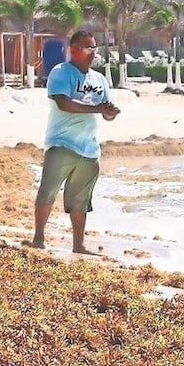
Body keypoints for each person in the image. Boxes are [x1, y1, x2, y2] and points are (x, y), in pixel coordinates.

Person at [32, 30, 120, 255]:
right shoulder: (60, 73)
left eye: (94, 48)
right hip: (62, 143)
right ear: (73, 50)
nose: (92, 52)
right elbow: (64, 103)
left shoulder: (99, 79)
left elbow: (105, 111)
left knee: (80, 201)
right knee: (48, 191)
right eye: (87, 48)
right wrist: (97, 108)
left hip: (89, 149)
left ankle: (78, 245)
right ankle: (39, 237)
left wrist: (109, 113)